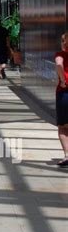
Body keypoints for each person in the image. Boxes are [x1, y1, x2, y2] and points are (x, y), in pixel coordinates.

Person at [55, 33, 68, 167]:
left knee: (63, 127)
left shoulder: (60, 54)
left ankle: (67, 155)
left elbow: (59, 64)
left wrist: (63, 80)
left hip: (64, 93)